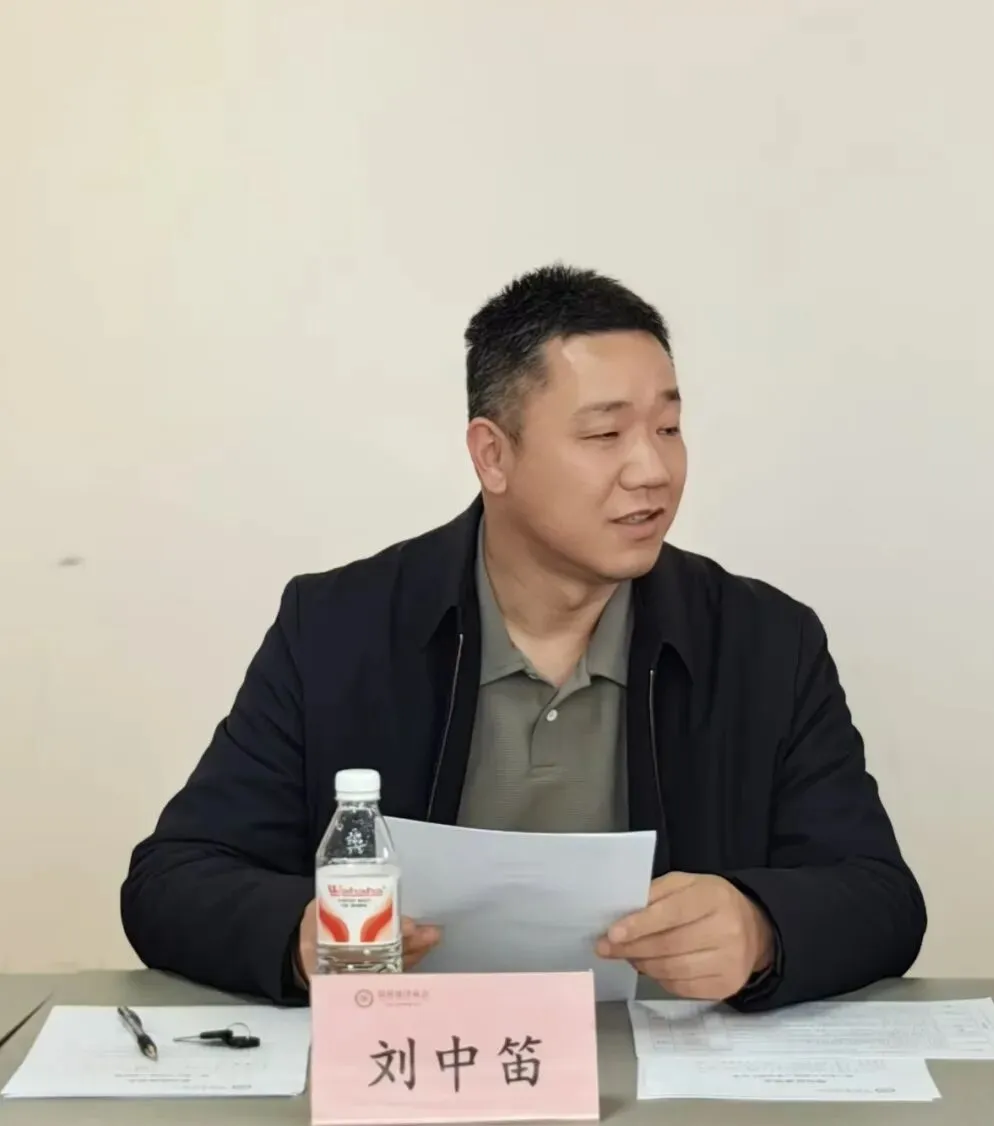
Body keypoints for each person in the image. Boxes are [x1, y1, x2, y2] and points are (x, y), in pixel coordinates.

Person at [121, 264, 926, 1010]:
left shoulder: (763, 643)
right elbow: (172, 880)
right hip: (413, 1068)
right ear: (493, 455)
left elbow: (883, 898)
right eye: (605, 435)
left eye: (669, 428)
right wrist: (302, 937)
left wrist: (762, 928)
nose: (652, 470)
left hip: (665, 1079)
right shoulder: (338, 629)